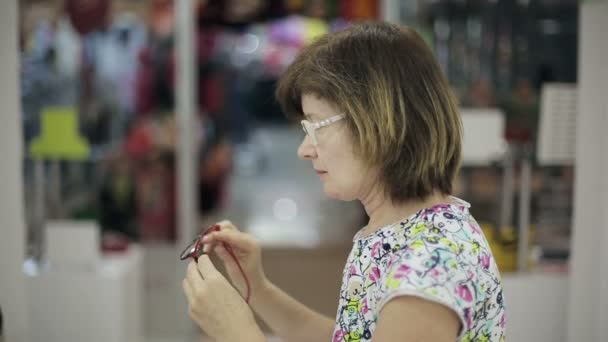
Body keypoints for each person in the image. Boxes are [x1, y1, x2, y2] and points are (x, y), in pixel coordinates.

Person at [182, 21, 506, 342]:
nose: (304, 150)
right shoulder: (402, 232)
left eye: (318, 126)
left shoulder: (430, 264)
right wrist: (256, 289)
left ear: (380, 121)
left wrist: (236, 332)